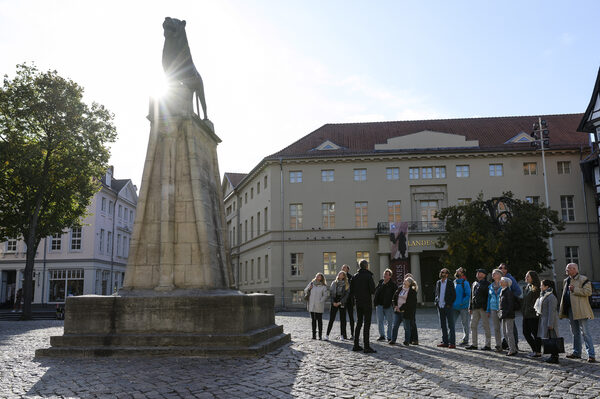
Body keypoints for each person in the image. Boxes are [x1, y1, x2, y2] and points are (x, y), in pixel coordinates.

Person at [559, 263, 596, 363]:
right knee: (575, 333)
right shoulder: (566, 280)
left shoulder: (583, 279)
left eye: (568, 269)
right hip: (571, 310)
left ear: (574, 269)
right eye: (566, 269)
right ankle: (576, 352)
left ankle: (591, 355)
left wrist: (575, 289)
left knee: (585, 333)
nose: (566, 271)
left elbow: (588, 292)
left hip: (581, 310)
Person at [350, 259, 376, 353]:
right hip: (367, 302)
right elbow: (373, 290)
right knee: (367, 324)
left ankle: (356, 345)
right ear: (366, 266)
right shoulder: (368, 276)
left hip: (358, 302)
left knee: (359, 323)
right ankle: (366, 346)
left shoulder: (355, 276)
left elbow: (351, 291)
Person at [536, 279, 560, 364]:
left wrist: (550, 324)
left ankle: (555, 357)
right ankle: (552, 356)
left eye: (541, 285)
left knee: (553, 338)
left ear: (547, 287)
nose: (540, 287)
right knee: (549, 338)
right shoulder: (545, 295)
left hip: (550, 322)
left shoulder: (551, 297)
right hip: (545, 321)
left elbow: (552, 311)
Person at [466, 269, 491, 351]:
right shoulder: (474, 283)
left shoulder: (488, 284)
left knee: (486, 326)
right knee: (473, 325)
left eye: (480, 272)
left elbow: (489, 298)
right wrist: (470, 307)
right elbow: (471, 296)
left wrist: (488, 309)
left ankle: (488, 345)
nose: (478, 274)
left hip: (483, 308)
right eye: (477, 272)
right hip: (475, 308)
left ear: (484, 275)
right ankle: (474, 344)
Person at [390, 277, 418, 345]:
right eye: (404, 280)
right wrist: (395, 306)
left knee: (406, 327)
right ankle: (393, 340)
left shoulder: (412, 291)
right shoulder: (400, 288)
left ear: (409, 283)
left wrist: (401, 308)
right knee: (395, 326)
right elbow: (394, 298)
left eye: (406, 280)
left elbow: (410, 303)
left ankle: (407, 341)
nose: (404, 281)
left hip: (406, 312)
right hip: (397, 311)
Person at [498, 263, 520, 348]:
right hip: (501, 307)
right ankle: (506, 342)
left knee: (511, 327)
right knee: (504, 328)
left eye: (504, 268)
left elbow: (518, 291)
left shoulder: (510, 278)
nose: (502, 270)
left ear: (507, 270)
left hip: (508, 307)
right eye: (500, 268)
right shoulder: (499, 279)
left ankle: (515, 344)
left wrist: (509, 297)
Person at [435, 268, 456, 348]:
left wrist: (449, 304)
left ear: (447, 274)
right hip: (440, 307)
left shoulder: (450, 283)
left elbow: (453, 295)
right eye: (441, 272)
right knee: (443, 325)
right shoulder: (438, 282)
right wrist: (436, 301)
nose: (442, 273)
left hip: (448, 306)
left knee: (451, 325)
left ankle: (452, 343)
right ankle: (445, 342)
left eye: (444, 272)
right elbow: (437, 293)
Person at [374, 268, 397, 342]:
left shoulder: (393, 285)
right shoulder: (380, 282)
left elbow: (395, 296)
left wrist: (394, 305)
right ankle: (382, 335)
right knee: (380, 321)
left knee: (389, 322)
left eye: (386, 274)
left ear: (390, 276)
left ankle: (389, 337)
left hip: (388, 306)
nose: (384, 275)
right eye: (384, 274)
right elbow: (376, 291)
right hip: (379, 305)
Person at [325, 271, 350, 340]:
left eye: (341, 274)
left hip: (342, 302)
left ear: (344, 276)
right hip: (334, 301)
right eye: (339, 274)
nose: (339, 275)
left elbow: (347, 295)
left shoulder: (346, 284)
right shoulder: (334, 283)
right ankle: (327, 335)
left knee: (343, 319)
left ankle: (342, 335)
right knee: (331, 319)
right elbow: (331, 293)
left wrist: (340, 302)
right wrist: (333, 302)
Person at [522, 270, 542, 358]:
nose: (526, 278)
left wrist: (531, 309)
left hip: (533, 315)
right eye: (526, 276)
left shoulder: (537, 288)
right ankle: (535, 349)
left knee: (535, 333)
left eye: (528, 276)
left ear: (533, 278)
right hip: (526, 314)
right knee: (525, 333)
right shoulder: (527, 287)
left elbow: (536, 302)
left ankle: (537, 351)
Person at [304, 273, 329, 340]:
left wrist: (320, 301)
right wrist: (309, 288)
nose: (318, 277)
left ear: (322, 278)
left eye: (319, 276)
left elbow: (325, 295)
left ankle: (320, 335)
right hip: (311, 305)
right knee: (313, 320)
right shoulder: (311, 283)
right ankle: (314, 335)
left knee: (320, 320)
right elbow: (305, 290)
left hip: (319, 305)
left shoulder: (323, 286)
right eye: (317, 276)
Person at [498, 277, 517, 356]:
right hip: (504, 315)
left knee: (509, 333)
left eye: (502, 281)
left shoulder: (508, 292)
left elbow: (510, 305)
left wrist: (505, 314)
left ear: (506, 283)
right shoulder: (502, 291)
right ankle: (511, 347)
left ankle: (513, 349)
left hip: (508, 315)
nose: (500, 282)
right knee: (505, 333)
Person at [453, 267, 471, 346]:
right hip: (454, 307)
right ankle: (451, 338)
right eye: (457, 270)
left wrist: (462, 302)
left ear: (462, 273)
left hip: (463, 307)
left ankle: (465, 340)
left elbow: (468, 294)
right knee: (451, 323)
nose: (457, 271)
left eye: (459, 271)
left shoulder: (465, 283)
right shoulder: (454, 282)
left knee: (464, 323)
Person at [487, 269, 504, 352]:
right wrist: (488, 310)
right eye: (492, 274)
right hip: (493, 308)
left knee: (505, 329)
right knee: (496, 328)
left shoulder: (504, 284)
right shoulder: (490, 286)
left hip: (502, 308)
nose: (493, 275)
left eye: (495, 273)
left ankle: (510, 345)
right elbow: (489, 298)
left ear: (500, 275)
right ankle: (498, 345)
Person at [341, 264, 355, 339]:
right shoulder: (340, 277)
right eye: (342, 268)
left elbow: (353, 289)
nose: (343, 269)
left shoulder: (351, 277)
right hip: (342, 301)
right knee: (343, 318)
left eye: (344, 268)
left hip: (349, 300)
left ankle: (352, 334)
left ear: (347, 269)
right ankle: (344, 334)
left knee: (351, 317)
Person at [404, 273, 419, 345]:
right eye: (406, 278)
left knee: (412, 323)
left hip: (411, 308)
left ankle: (415, 339)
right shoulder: (403, 288)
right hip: (406, 308)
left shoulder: (413, 289)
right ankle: (409, 339)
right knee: (407, 324)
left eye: (408, 279)